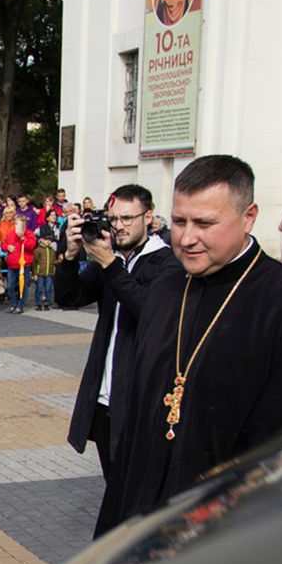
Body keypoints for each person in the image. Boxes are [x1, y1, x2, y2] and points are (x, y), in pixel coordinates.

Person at [108, 156, 282, 527]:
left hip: (233, 525)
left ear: (248, 216)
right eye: (180, 221)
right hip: (146, 516)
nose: (186, 238)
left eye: (205, 223)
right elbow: (138, 418)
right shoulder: (166, 291)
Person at [56, 186, 177, 536]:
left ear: (149, 218)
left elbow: (148, 311)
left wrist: (108, 263)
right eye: (114, 219)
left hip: (142, 403)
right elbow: (69, 297)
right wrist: (69, 255)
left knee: (138, 500)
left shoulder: (167, 262)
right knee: (117, 492)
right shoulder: (114, 261)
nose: (119, 226)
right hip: (107, 402)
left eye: (128, 218)